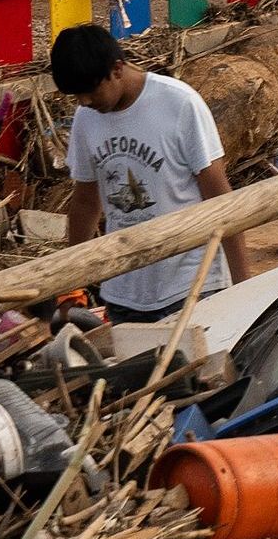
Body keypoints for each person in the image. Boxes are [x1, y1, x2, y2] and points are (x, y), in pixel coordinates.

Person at [48, 22, 242, 327]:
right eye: (77, 96)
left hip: (191, 286)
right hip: (123, 293)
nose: (84, 102)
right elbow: (86, 202)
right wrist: (72, 281)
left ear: (117, 69)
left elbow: (219, 196)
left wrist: (245, 289)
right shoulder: (86, 118)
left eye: (90, 91)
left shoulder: (179, 104)